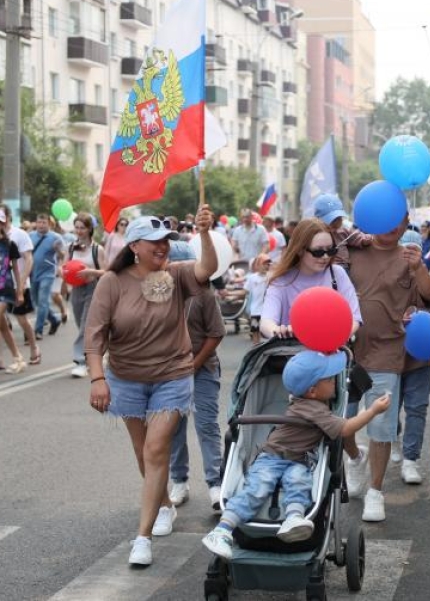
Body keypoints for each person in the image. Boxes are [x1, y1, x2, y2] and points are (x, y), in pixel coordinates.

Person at [86, 207, 218, 567]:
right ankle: (163, 503)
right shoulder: (111, 283)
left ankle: (141, 537)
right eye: (155, 242)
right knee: (143, 450)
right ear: (134, 246)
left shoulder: (175, 275)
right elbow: (94, 337)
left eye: (167, 242)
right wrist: (97, 378)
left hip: (172, 375)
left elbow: (207, 269)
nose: (163, 247)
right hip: (126, 378)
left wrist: (204, 234)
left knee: (157, 449)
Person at [202, 350, 392, 559]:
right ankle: (222, 530)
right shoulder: (314, 409)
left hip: (297, 460)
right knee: (258, 487)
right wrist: (372, 410)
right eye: (328, 380)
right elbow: (346, 429)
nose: (333, 383)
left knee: (298, 480)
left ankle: (293, 519)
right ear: (312, 391)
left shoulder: (305, 400)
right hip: (272, 457)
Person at [258, 219, 369, 496]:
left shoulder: (336, 275)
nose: (325, 257)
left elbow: (354, 317)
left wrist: (339, 335)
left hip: (329, 360)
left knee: (337, 420)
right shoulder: (283, 280)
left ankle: (354, 457)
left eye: (330, 250)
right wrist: (278, 330)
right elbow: (266, 321)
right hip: (293, 361)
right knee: (298, 421)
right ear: (299, 250)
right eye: (317, 252)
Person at [347, 214, 430, 522]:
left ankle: (375, 491)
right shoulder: (352, 248)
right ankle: (354, 457)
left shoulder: (409, 256)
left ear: (405, 223)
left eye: (396, 221)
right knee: (340, 421)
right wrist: (349, 234)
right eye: (382, 217)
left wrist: (419, 267)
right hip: (345, 350)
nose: (388, 226)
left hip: (386, 352)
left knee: (382, 426)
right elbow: (316, 248)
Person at [167, 241, 227, 514]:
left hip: (202, 368)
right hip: (168, 372)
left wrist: (194, 364)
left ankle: (216, 484)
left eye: (186, 267)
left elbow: (216, 334)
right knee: (173, 428)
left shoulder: (205, 294)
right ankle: (179, 480)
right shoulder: (159, 292)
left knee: (206, 425)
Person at [392, 229, 430, 485]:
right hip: (389, 358)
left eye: (413, 251)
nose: (408, 256)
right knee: (389, 408)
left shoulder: (429, 282)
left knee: (416, 408)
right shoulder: (386, 279)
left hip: (420, 360)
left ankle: (411, 459)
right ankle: (392, 439)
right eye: (403, 250)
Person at [67, 213, 107, 378]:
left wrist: (91, 272)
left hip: (93, 289)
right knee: (81, 324)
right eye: (76, 227)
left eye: (82, 228)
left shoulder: (98, 249)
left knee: (85, 326)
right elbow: (66, 265)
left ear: (90, 229)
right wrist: (62, 272)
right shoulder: (71, 247)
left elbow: (107, 272)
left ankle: (80, 362)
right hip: (76, 289)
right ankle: (93, 354)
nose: (78, 231)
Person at [1, 204, 38, 365]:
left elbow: (28, 259)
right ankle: (12, 356)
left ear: (7, 217)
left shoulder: (19, 235)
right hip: (4, 286)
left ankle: (34, 347)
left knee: (22, 320)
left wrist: (21, 286)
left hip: (17, 284)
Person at [28, 213, 64, 343]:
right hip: (32, 273)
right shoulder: (30, 236)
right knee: (36, 302)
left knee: (43, 301)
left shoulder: (56, 237)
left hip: (48, 274)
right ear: (36, 223)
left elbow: (62, 255)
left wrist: (58, 251)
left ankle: (37, 330)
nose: (41, 225)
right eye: (39, 222)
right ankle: (54, 319)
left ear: (49, 224)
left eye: (44, 223)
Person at [312, 193, 371, 271]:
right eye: (330, 220)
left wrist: (368, 239)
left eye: (337, 218)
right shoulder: (313, 234)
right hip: (322, 267)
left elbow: (357, 238)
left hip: (342, 267)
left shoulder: (344, 230)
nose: (335, 222)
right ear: (318, 220)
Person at [0, 208, 27, 374]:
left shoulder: (9, 244)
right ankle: (18, 358)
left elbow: (16, 269)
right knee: (2, 325)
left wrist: (20, 290)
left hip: (5, 289)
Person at [245, 253, 271, 345]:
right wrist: (230, 294)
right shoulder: (252, 278)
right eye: (264, 264)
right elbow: (245, 291)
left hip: (268, 312)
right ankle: (255, 352)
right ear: (258, 265)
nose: (267, 266)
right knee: (255, 332)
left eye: (268, 264)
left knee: (268, 333)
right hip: (255, 311)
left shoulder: (271, 277)